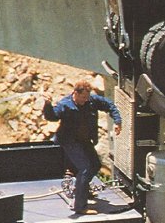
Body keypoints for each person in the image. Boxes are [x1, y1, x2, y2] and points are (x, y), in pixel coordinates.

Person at [43, 80, 122, 215]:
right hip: (70, 141)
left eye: (87, 97)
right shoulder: (65, 105)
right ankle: (80, 206)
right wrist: (47, 104)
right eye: (83, 97)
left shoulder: (91, 101)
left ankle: (81, 189)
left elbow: (109, 104)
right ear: (75, 93)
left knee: (95, 165)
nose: (85, 100)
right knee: (85, 168)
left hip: (84, 140)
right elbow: (52, 116)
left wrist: (117, 121)